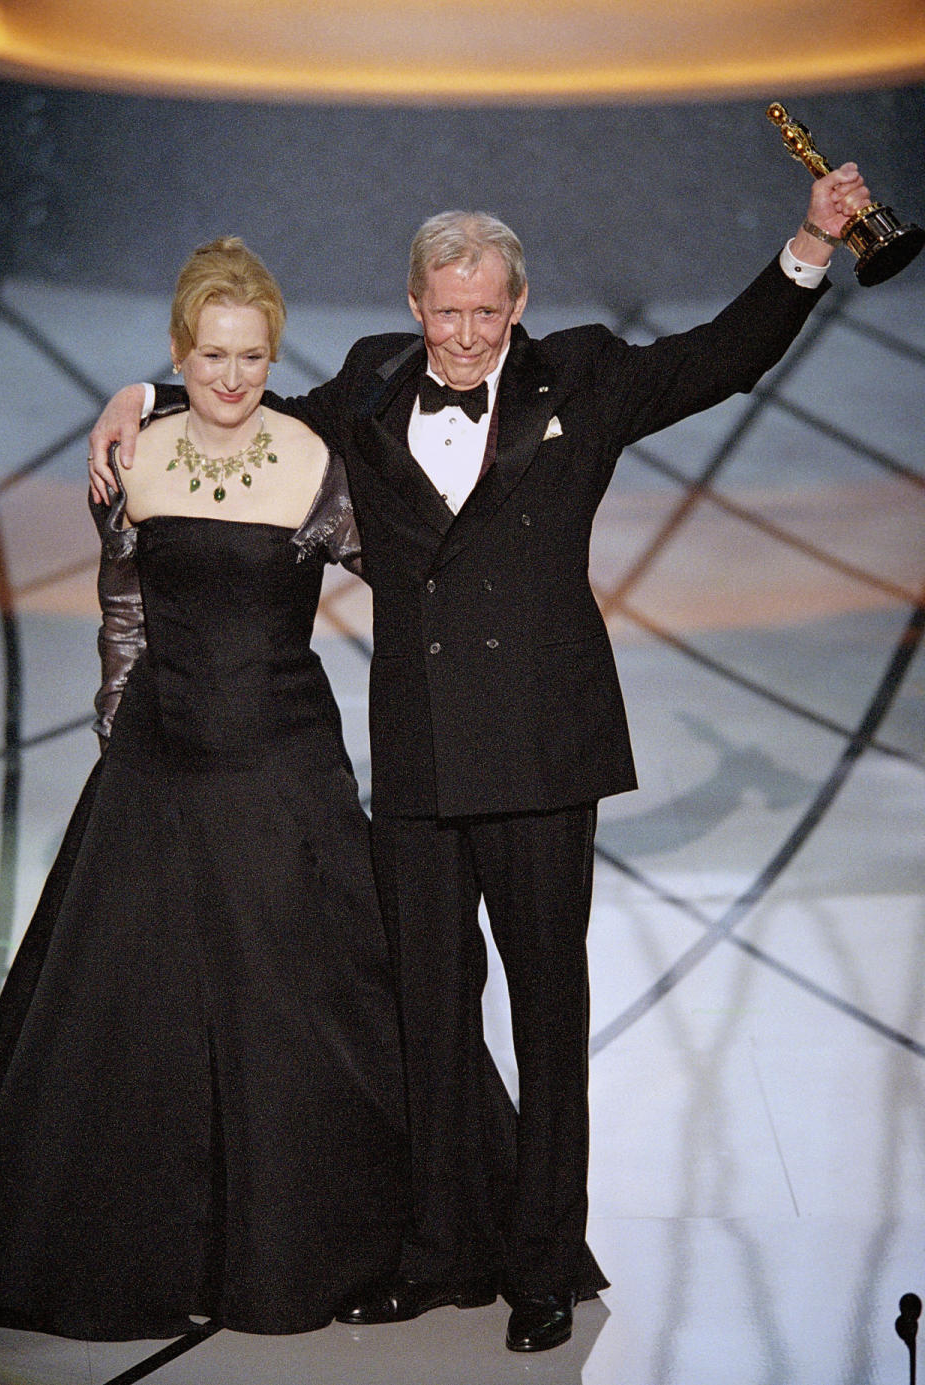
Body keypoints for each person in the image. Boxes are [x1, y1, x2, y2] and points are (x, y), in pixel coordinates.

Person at [87, 162, 871, 1353]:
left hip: (545, 753)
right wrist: (139, 391)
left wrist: (811, 247)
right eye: (444, 311)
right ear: (413, 306)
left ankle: (543, 1260)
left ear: (518, 305)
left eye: (485, 311)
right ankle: (441, 1247)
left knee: (551, 1014)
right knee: (430, 1015)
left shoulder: (588, 376)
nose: (463, 334)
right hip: (419, 757)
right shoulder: (366, 385)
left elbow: (723, 356)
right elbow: (253, 401)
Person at [0, 237, 410, 1341]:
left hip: (284, 767)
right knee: (136, 1021)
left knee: (306, 1012)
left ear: (272, 354)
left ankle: (327, 1240)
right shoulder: (133, 458)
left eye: (251, 355)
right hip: (159, 765)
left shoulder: (316, 459)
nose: (230, 377)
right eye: (210, 355)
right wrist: (122, 741)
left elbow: (408, 586)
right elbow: (125, 611)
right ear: (179, 353)